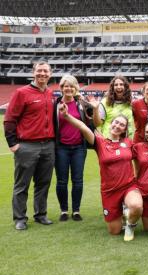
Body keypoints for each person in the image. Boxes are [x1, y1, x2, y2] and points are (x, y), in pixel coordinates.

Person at [59, 103, 143, 241]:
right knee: (114, 231)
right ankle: (121, 213)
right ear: (110, 124)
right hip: (109, 191)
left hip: (128, 186)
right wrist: (66, 116)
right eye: (116, 122)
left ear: (124, 129)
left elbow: (138, 159)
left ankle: (130, 225)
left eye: (122, 125)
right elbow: (82, 127)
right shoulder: (100, 142)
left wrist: (137, 178)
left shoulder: (128, 143)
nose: (117, 126)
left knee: (137, 206)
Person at [4, 61, 55, 230]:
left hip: (48, 145)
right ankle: (20, 218)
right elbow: (10, 119)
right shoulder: (21, 92)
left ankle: (41, 214)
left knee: (43, 183)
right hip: (27, 146)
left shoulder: (50, 93)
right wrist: (13, 144)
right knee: (22, 184)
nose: (42, 74)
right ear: (33, 73)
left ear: (50, 74)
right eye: (39, 71)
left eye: (45, 71)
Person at [53, 75, 93, 222]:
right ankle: (64, 210)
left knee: (78, 180)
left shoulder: (81, 104)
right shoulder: (55, 104)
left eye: (71, 86)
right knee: (62, 181)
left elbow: (93, 117)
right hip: (61, 148)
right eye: (65, 86)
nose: (68, 89)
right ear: (61, 88)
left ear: (75, 88)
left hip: (78, 148)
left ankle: (76, 210)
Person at [95, 75, 135, 139]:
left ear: (126, 87)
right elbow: (98, 124)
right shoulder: (104, 103)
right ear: (112, 88)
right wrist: (95, 109)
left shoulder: (131, 103)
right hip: (109, 140)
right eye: (116, 85)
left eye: (121, 84)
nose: (119, 87)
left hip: (127, 141)